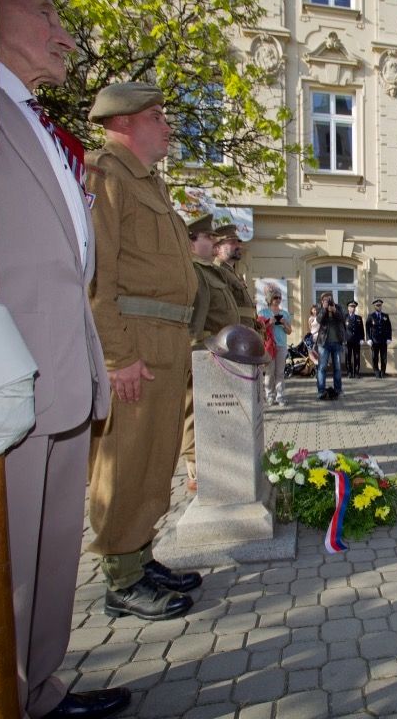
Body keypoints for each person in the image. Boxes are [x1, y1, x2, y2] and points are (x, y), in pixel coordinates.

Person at [0, 0, 131, 716]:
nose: (66, 35)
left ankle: (36, 693)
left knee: (43, 571)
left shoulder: (30, 119)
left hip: (57, 380)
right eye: (44, 11)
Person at [86, 81, 202, 622]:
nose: (168, 125)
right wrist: (117, 356)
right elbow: (96, 279)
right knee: (126, 461)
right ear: (124, 122)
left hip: (166, 340)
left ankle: (139, 556)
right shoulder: (105, 175)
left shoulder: (148, 183)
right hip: (135, 343)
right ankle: (120, 579)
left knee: (155, 461)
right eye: (157, 116)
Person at [181, 213, 237, 491]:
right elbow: (195, 322)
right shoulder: (193, 271)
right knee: (195, 409)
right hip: (203, 354)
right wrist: (200, 353)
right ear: (192, 241)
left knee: (209, 411)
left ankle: (213, 459)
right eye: (208, 237)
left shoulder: (209, 270)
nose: (214, 241)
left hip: (219, 353)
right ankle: (196, 468)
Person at [212, 225, 255, 326]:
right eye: (232, 242)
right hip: (233, 330)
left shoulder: (232, 273)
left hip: (242, 330)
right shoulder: (218, 271)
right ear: (218, 248)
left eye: (238, 242)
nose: (239, 246)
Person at [259, 291, 293, 406]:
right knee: (269, 372)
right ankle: (269, 396)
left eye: (279, 297)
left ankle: (280, 396)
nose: (278, 299)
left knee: (280, 372)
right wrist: (269, 322)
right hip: (269, 346)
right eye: (275, 297)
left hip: (281, 345)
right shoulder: (263, 312)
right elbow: (260, 329)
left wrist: (284, 324)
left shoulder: (285, 313)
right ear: (270, 299)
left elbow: (289, 331)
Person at [315, 292, 346, 399]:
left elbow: (343, 318)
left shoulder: (338, 307)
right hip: (324, 343)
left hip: (337, 342)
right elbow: (319, 320)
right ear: (322, 300)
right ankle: (321, 391)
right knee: (322, 367)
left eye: (329, 298)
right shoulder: (320, 308)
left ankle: (338, 390)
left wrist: (334, 311)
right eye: (325, 299)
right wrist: (324, 309)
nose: (328, 301)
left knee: (337, 368)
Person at [366, 298, 393, 377]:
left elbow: (389, 328)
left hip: (383, 340)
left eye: (380, 305)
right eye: (377, 305)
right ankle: (376, 371)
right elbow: (367, 328)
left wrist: (389, 338)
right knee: (375, 357)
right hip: (374, 340)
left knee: (383, 357)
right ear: (374, 306)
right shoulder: (371, 316)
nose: (379, 307)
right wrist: (368, 339)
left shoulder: (385, 316)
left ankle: (383, 372)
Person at [345, 300, 365, 378]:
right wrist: (343, 339)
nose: (353, 308)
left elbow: (361, 329)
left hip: (356, 340)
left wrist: (362, 338)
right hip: (348, 340)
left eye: (354, 307)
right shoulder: (345, 317)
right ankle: (349, 372)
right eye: (351, 307)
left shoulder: (359, 318)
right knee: (348, 357)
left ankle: (356, 372)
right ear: (348, 308)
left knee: (357, 357)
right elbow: (342, 329)